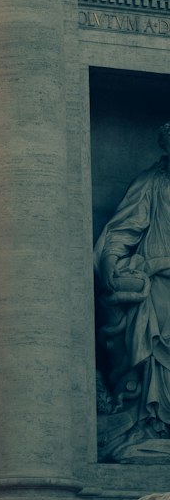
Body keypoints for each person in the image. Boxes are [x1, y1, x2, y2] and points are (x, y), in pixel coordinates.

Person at [94, 121, 170, 459]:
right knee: (156, 353)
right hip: (159, 283)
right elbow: (123, 230)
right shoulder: (152, 183)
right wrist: (112, 263)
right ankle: (153, 425)